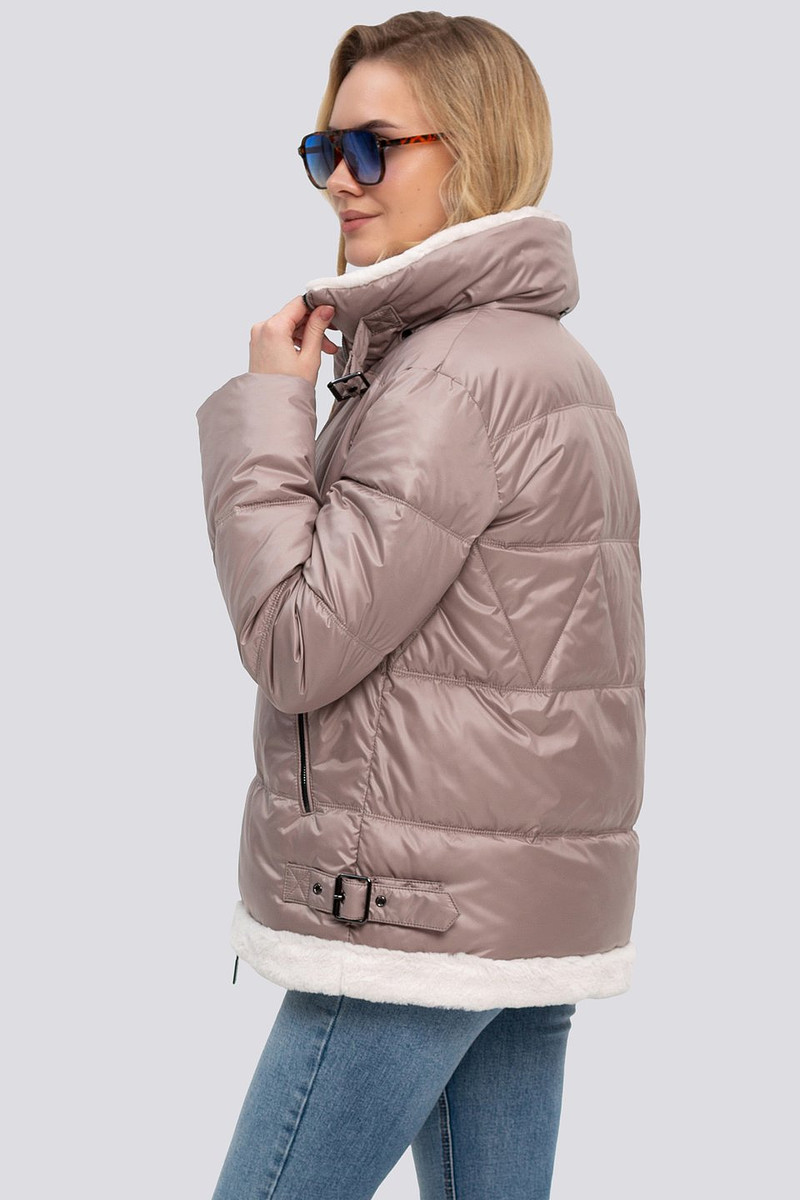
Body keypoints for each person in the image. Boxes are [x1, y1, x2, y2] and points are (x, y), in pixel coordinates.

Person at [196, 11, 646, 1199]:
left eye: (374, 147)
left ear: (475, 151)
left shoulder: (449, 375)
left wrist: (269, 407)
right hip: (511, 908)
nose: (339, 181)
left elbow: (297, 640)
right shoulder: (541, 360)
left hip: (410, 915)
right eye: (322, 150)